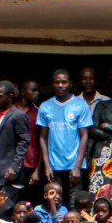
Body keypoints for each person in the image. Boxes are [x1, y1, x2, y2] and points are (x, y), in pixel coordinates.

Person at [37, 69, 94, 201]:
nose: (60, 85)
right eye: (57, 82)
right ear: (53, 84)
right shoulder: (45, 106)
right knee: (54, 202)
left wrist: (77, 167)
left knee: (75, 202)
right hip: (53, 166)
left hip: (74, 165)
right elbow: (42, 137)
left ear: (70, 84)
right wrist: (47, 166)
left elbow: (84, 136)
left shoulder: (80, 105)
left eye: (64, 82)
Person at [0, 81, 32, 214]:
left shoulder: (18, 115)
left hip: (8, 176)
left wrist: (14, 167)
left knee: (4, 214)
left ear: (10, 95)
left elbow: (23, 142)